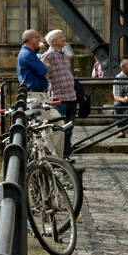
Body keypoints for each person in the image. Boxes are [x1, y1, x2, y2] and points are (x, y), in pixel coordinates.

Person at [41, 29, 77, 158]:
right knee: (59, 130)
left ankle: (66, 155)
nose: (64, 39)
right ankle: (59, 156)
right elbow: (43, 73)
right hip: (59, 97)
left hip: (71, 96)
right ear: (54, 41)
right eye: (61, 37)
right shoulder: (48, 55)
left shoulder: (63, 54)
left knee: (69, 129)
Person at [17, 29, 49, 97]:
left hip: (33, 91)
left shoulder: (27, 52)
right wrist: (46, 65)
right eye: (37, 37)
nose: (39, 40)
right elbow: (43, 71)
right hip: (34, 93)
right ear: (30, 39)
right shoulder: (28, 54)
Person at [113, 58, 128, 137]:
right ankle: (121, 130)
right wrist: (123, 99)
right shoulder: (118, 78)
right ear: (123, 68)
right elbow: (116, 96)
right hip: (124, 99)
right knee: (117, 105)